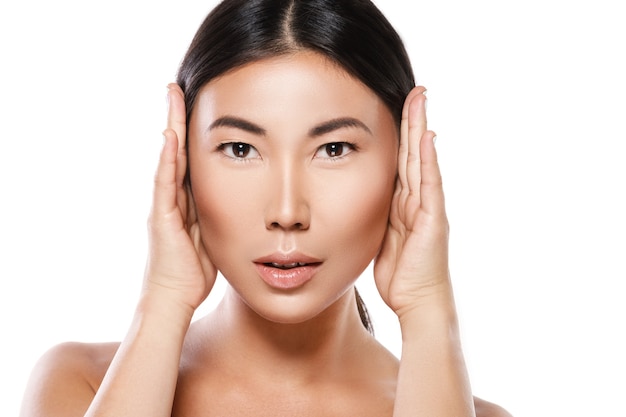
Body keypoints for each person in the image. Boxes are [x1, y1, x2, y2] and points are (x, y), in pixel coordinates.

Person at [20, 0, 511, 416]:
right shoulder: (82, 385)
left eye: (334, 149)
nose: (286, 211)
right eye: (240, 149)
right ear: (185, 162)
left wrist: (429, 312)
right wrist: (164, 300)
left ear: (403, 164)